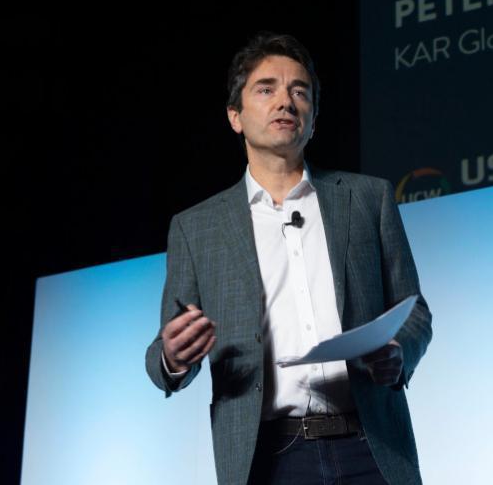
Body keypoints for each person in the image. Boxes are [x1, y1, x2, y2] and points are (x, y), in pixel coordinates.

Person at [145, 32, 432, 485]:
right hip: (270, 459)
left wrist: (399, 352)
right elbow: (164, 354)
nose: (285, 101)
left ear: (313, 120)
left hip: (372, 446)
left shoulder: (368, 198)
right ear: (235, 116)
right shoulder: (196, 228)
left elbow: (413, 311)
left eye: (300, 91)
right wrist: (173, 357)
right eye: (266, 89)